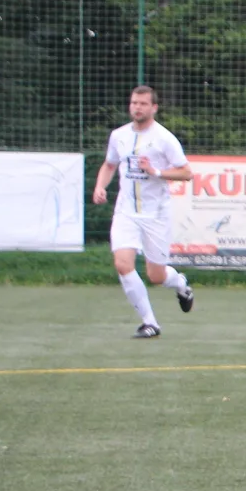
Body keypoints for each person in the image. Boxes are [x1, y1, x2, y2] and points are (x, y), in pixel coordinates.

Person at [91, 85, 196, 337]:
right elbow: (109, 164)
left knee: (156, 275)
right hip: (126, 212)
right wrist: (100, 186)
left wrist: (156, 172)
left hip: (156, 214)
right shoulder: (119, 135)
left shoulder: (164, 138)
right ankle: (150, 322)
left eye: (143, 104)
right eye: (134, 103)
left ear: (154, 108)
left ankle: (181, 284)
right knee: (122, 264)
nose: (137, 107)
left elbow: (186, 172)